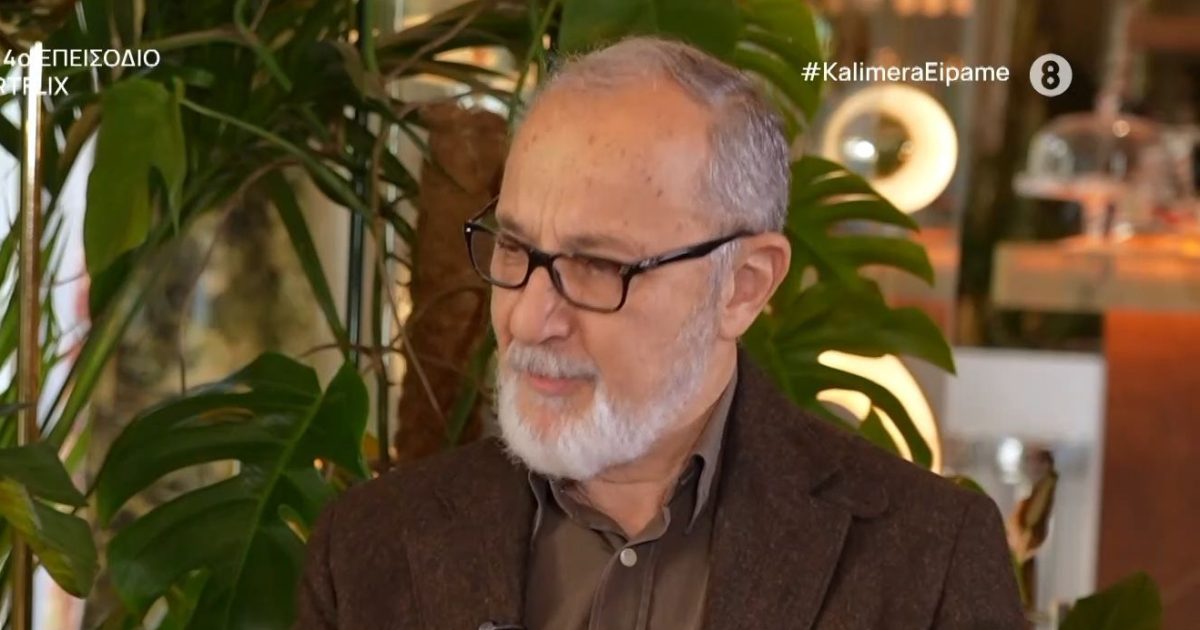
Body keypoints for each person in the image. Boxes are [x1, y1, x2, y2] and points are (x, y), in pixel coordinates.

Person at [295, 36, 1024, 630]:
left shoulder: (926, 559)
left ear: (744, 285)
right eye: (514, 248)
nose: (528, 317)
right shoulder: (368, 547)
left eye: (597, 266)